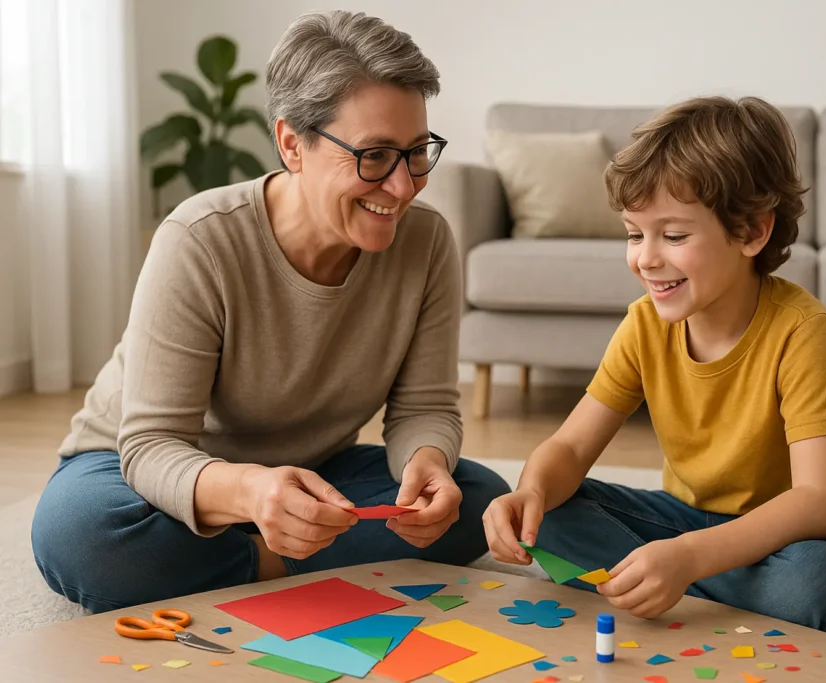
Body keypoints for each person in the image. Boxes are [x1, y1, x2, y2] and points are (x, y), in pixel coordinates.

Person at [31, 10, 511, 614]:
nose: (403, 186)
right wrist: (252, 492)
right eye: (374, 157)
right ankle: (279, 562)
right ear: (292, 144)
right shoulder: (200, 239)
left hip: (310, 468)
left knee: (475, 497)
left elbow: (423, 407)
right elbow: (152, 445)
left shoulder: (429, 242)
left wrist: (427, 465)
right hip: (146, 468)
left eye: (418, 152)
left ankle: (244, 559)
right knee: (78, 534)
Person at [482, 96, 826, 633]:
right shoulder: (644, 326)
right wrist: (531, 492)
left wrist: (688, 559)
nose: (646, 257)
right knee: (545, 517)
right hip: (684, 516)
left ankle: (666, 581)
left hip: (798, 538)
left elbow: (816, 504)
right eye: (634, 233)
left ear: (752, 232)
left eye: (674, 235)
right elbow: (572, 447)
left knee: (811, 584)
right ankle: (691, 588)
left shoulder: (804, 333)